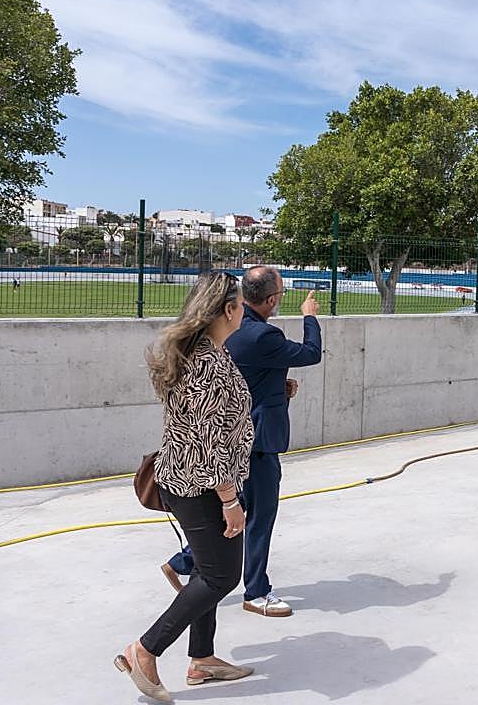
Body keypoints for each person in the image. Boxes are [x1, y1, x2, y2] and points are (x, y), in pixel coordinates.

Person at [115, 271, 255, 702]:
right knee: (221, 576)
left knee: (207, 569)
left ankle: (202, 659)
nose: (244, 309)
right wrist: (229, 499)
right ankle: (145, 649)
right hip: (202, 486)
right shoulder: (209, 363)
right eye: (240, 303)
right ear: (228, 310)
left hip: (190, 479)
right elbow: (211, 436)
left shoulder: (202, 352)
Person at [163, 265, 322, 618]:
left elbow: (243, 378)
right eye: (279, 294)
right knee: (259, 516)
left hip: (243, 437)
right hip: (256, 441)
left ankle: (184, 561)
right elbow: (311, 353)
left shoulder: (230, 336)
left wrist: (278, 386)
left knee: (235, 516)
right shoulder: (262, 335)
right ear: (269, 299)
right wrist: (310, 317)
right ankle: (256, 591)